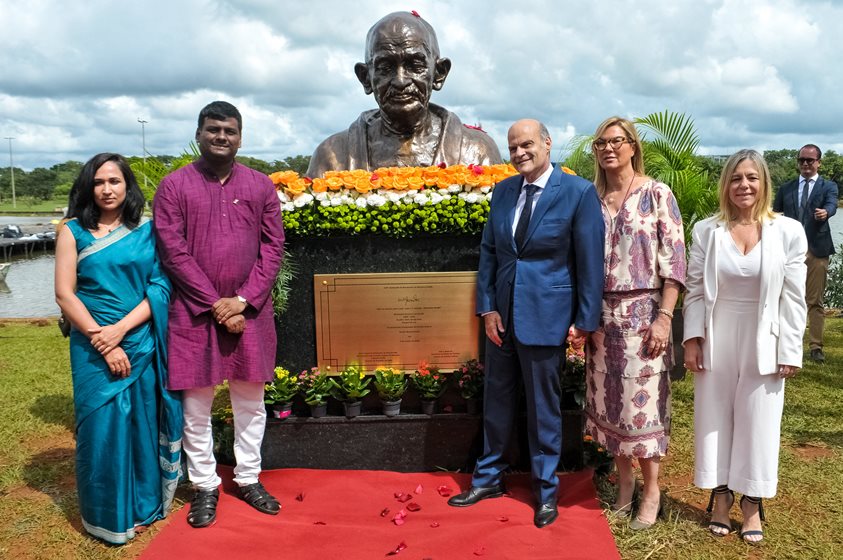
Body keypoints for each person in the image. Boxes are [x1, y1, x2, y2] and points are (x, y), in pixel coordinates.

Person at [447, 119, 604, 528]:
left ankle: (545, 491)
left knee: (543, 409)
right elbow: (491, 254)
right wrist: (487, 308)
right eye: (513, 147)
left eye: (527, 144)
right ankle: (489, 479)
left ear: (547, 144)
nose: (519, 153)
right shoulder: (502, 191)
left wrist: (585, 321)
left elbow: (589, 261)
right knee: (496, 401)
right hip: (502, 319)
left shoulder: (578, 192)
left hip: (547, 318)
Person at [153, 101, 285, 528]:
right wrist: (215, 303)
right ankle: (205, 485)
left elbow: (272, 248)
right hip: (194, 315)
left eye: (229, 130)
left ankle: (248, 478)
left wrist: (244, 300)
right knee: (197, 405)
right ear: (199, 133)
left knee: (250, 401)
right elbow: (172, 252)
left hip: (250, 314)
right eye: (213, 130)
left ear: (240, 137)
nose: (221, 137)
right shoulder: (174, 186)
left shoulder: (261, 186)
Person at [54, 153, 182, 544]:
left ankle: (143, 506)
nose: (107, 189)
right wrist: (103, 341)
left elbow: (159, 287)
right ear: (87, 188)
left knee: (142, 423)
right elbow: (64, 293)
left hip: (139, 338)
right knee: (102, 428)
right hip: (92, 346)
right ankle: (106, 515)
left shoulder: (146, 232)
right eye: (98, 182)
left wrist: (121, 330)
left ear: (128, 186)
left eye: (115, 181)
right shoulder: (72, 231)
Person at [684, 150, 807, 544]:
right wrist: (693, 339)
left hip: (765, 338)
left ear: (764, 183)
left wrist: (789, 349)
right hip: (717, 335)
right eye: (736, 178)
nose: (744, 186)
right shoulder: (706, 230)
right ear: (726, 184)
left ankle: (752, 502)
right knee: (714, 417)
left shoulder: (788, 232)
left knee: (760, 420)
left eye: (752, 178)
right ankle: (720, 496)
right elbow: (694, 292)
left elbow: (794, 297)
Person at [583, 117, 686, 530]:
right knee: (611, 407)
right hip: (601, 320)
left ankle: (652, 489)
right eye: (600, 143)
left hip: (645, 316)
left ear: (632, 146)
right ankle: (623, 483)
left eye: (616, 141)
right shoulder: (590, 199)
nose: (608, 149)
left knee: (643, 411)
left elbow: (675, 262)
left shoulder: (657, 194)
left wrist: (665, 318)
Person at [305, 11, 502, 178]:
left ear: (439, 73)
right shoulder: (331, 156)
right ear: (365, 77)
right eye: (385, 67)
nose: (400, 81)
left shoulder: (477, 151)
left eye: (415, 65)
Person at [772, 144, 838, 363]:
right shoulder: (786, 188)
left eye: (810, 160)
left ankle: (816, 346)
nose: (806, 164)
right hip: (788, 252)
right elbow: (774, 214)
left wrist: (826, 212)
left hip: (817, 250)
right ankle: (784, 343)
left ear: (819, 162)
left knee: (815, 300)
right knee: (784, 297)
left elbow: (832, 204)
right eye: (802, 160)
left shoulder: (828, 186)